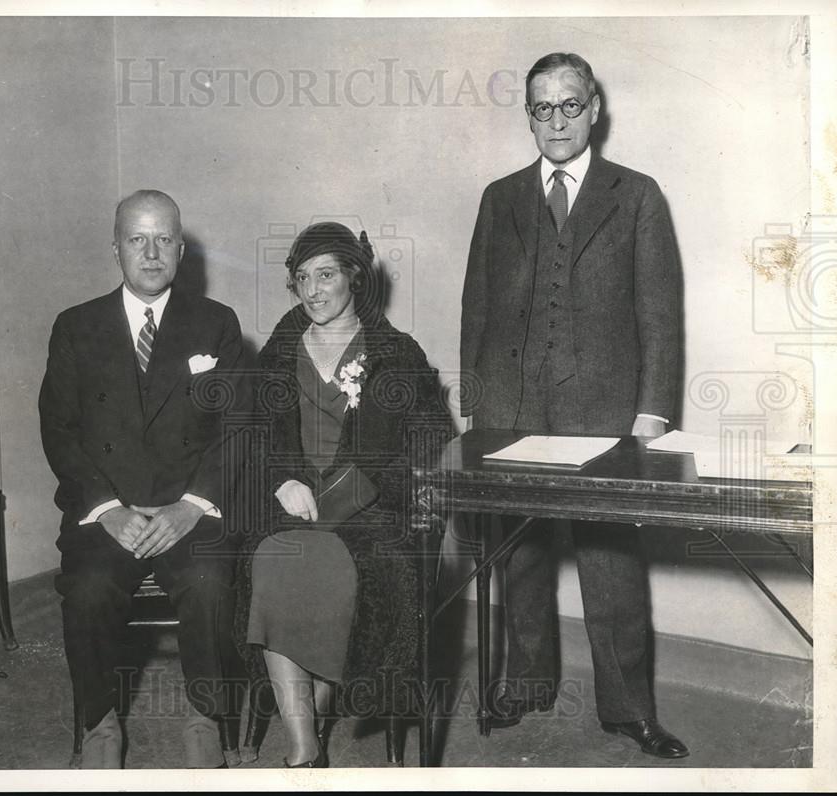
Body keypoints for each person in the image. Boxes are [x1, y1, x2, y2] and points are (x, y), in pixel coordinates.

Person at [460, 53, 688, 759]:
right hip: (511, 405)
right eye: (540, 107)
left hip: (604, 413)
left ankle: (626, 708)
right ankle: (528, 683)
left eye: (568, 105)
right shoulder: (500, 198)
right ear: (528, 116)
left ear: (594, 110)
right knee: (518, 556)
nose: (555, 120)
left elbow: (660, 315)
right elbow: (477, 306)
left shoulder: (638, 195)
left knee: (610, 563)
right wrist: (476, 404)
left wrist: (652, 411)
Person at [39, 189, 250, 768]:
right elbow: (59, 430)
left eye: (164, 240)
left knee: (210, 584)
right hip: (108, 514)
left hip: (190, 510)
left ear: (182, 249)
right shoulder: (75, 326)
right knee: (86, 591)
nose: (151, 252)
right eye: (137, 239)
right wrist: (107, 508)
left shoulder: (217, 324)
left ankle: (205, 719)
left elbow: (237, 430)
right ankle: (100, 724)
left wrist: (192, 506)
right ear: (116, 248)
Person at [234, 222, 452, 767]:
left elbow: (432, 442)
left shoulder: (397, 353)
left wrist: (369, 484)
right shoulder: (279, 352)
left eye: (325, 275)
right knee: (273, 560)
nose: (312, 290)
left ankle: (317, 714)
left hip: (373, 512)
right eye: (301, 278)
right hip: (289, 505)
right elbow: (251, 434)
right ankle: (304, 745)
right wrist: (281, 479)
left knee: (353, 572)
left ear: (354, 277)